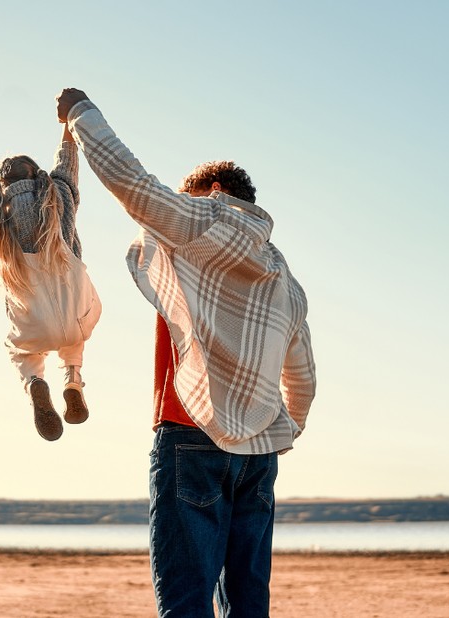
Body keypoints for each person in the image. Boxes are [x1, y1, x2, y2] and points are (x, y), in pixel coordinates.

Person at [56, 88, 317, 617]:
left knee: (186, 601)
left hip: (189, 434)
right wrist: (284, 429)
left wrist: (81, 114)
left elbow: (135, 186)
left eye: (186, 194)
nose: (175, 207)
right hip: (259, 454)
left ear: (214, 190)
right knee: (248, 602)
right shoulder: (283, 275)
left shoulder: (204, 220)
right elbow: (303, 375)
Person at [0, 126, 101, 441]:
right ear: (39, 176)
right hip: (78, 316)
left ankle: (34, 382)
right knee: (75, 331)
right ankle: (73, 380)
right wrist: (67, 131)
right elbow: (67, 168)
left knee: (19, 350)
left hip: (32, 327)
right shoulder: (59, 201)